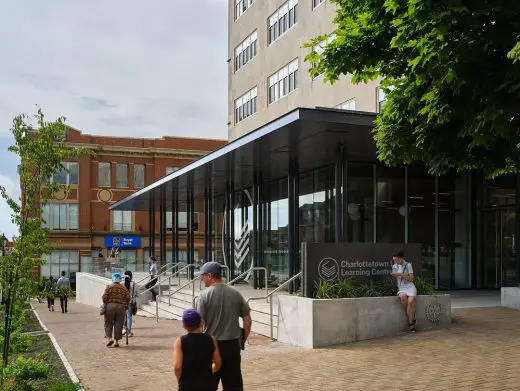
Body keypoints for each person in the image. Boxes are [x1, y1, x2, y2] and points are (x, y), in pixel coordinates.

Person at [196, 262, 252, 391]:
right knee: (233, 385)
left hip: (211, 347)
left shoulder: (204, 295)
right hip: (232, 346)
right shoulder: (235, 293)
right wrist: (242, 340)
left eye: (203, 275)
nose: (201, 278)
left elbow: (200, 323)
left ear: (210, 276)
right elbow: (247, 319)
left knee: (208, 384)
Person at [173, 308, 222, 391]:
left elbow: (177, 367)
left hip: (187, 384)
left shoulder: (180, 341)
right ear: (201, 323)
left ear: (184, 326)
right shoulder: (211, 339)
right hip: (207, 384)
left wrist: (180, 380)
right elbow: (218, 363)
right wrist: (210, 373)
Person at [391, 248, 417, 332]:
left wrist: (401, 274)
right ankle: (412, 318)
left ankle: (411, 322)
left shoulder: (408, 265)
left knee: (410, 302)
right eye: (394, 260)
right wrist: (394, 275)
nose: (396, 261)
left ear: (401, 257)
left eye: (397, 260)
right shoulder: (394, 266)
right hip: (401, 287)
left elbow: (411, 278)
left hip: (410, 286)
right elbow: (395, 276)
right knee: (402, 298)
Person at [102, 272, 130, 347]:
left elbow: (104, 297)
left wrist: (105, 303)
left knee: (108, 323)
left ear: (112, 279)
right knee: (119, 324)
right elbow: (128, 297)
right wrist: (126, 305)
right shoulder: (124, 288)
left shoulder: (109, 287)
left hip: (110, 306)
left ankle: (109, 338)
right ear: (120, 279)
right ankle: (116, 342)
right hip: (121, 307)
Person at [123, 270, 137, 337]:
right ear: (131, 276)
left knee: (122, 316)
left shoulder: (122, 283)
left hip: (122, 302)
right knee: (129, 317)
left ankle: (123, 330)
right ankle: (128, 331)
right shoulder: (134, 283)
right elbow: (135, 293)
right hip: (130, 302)